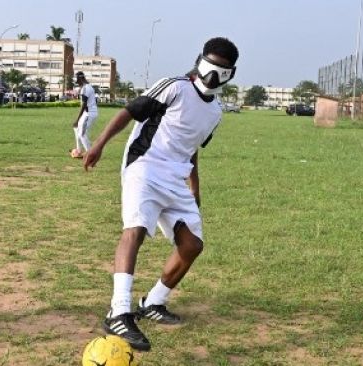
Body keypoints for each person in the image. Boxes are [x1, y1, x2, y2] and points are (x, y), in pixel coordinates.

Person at [83, 37, 239, 351]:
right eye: (210, 65)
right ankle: (119, 309)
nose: (212, 75)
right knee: (135, 230)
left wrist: (195, 188)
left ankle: (153, 302)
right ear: (199, 61)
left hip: (176, 178)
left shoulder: (216, 113)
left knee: (192, 245)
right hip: (145, 166)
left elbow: (191, 148)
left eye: (221, 70)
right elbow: (129, 112)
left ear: (229, 74)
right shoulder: (174, 86)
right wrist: (98, 145)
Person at [71, 71, 98, 158]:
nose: (77, 83)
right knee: (76, 128)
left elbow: (84, 105)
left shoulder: (85, 89)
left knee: (82, 134)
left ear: (80, 79)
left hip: (89, 114)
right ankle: (79, 150)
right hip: (88, 113)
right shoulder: (87, 87)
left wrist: (77, 119)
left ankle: (90, 154)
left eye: (77, 81)